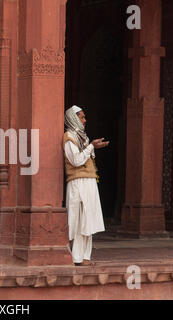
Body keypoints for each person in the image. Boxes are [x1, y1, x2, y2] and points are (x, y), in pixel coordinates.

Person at [63, 105, 109, 266]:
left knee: (88, 219)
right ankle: (76, 257)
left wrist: (92, 147)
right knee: (78, 219)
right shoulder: (69, 137)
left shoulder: (82, 137)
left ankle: (85, 257)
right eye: (81, 117)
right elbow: (76, 160)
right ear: (74, 118)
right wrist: (91, 147)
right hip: (77, 182)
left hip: (88, 181)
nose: (85, 120)